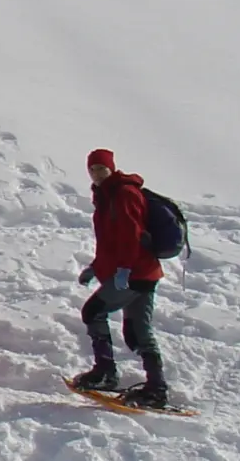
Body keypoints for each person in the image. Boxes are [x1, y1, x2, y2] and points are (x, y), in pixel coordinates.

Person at [72, 148, 169, 407]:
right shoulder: (106, 195)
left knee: (93, 312)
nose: (97, 174)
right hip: (141, 272)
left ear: (112, 168)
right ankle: (156, 388)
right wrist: (96, 267)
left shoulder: (123, 194)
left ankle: (105, 373)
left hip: (135, 272)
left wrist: (124, 269)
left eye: (101, 168)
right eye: (92, 169)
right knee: (138, 331)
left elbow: (130, 235)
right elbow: (110, 241)